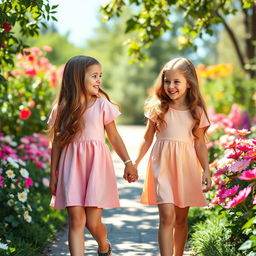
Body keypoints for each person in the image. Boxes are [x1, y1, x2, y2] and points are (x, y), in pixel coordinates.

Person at [47, 55, 138, 256]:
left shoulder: (102, 105)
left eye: (100, 76)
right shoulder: (61, 109)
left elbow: (114, 136)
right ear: (77, 79)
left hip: (96, 168)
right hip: (71, 168)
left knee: (93, 222)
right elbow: (57, 143)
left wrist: (128, 163)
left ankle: (104, 246)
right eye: (94, 76)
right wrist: (53, 174)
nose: (99, 80)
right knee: (76, 221)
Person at [134, 57, 211, 256]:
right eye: (167, 81)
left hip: (186, 168)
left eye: (176, 82)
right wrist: (134, 163)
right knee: (166, 216)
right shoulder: (158, 107)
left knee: (180, 220)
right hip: (163, 167)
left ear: (189, 83)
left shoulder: (196, 112)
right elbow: (147, 138)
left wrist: (207, 170)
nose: (170, 86)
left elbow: (200, 143)